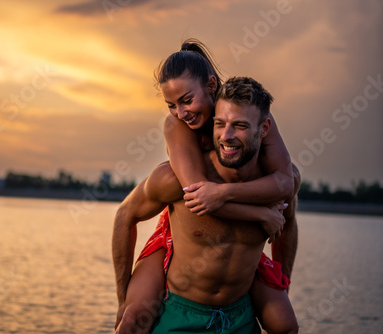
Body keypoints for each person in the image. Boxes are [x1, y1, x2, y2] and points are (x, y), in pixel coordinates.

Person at [113, 44, 299, 333]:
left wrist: (282, 281)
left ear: (211, 85)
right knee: (133, 316)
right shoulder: (176, 126)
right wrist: (261, 215)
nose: (180, 112)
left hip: (223, 213)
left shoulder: (251, 111)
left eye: (186, 100)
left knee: (285, 325)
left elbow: (286, 183)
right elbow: (198, 194)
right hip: (187, 217)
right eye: (171, 105)